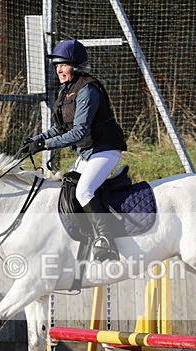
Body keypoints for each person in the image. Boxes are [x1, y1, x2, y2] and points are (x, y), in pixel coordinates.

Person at [21, 39, 127, 261]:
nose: (58, 69)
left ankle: (106, 239)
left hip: (104, 150)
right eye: (56, 65)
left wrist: (43, 146)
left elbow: (78, 133)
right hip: (88, 152)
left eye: (63, 64)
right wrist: (36, 139)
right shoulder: (66, 90)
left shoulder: (88, 90)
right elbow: (60, 128)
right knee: (66, 189)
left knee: (83, 191)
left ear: (76, 66)